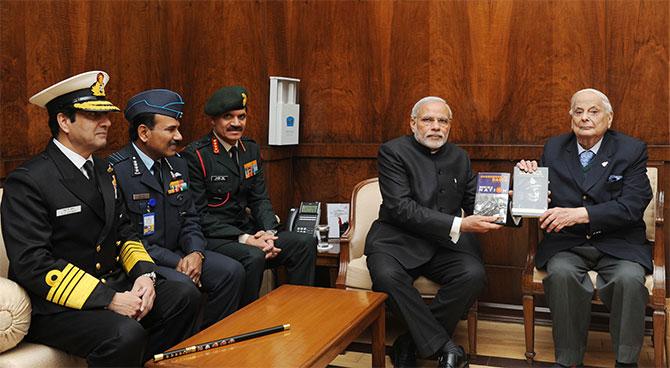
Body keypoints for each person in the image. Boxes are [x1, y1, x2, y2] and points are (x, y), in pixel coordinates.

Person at [0, 71, 200, 367]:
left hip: (111, 283)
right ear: (64, 122)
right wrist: (109, 299)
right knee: (124, 333)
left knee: (185, 295)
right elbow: (33, 263)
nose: (106, 122)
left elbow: (124, 232)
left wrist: (145, 275)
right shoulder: (29, 181)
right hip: (58, 306)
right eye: (94, 116)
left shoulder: (104, 170)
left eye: (106, 115)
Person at [516, 88, 652, 368]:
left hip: (619, 243)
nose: (585, 118)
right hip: (569, 244)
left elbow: (633, 205)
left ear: (609, 118)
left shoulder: (631, 149)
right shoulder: (554, 148)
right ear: (570, 117)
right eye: (578, 111)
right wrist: (526, 183)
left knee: (628, 279)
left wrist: (581, 214)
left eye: (593, 111)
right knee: (562, 274)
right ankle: (568, 360)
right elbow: (541, 198)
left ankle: (626, 361)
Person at [366, 96, 504, 368]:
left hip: (443, 245)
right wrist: (460, 225)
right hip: (395, 241)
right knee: (386, 276)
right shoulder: (392, 152)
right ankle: (445, 347)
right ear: (413, 123)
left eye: (442, 121)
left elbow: (476, 201)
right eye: (428, 120)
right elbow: (401, 207)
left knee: (473, 274)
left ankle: (410, 342)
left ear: (450, 126)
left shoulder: (459, 157)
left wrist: (519, 198)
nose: (435, 126)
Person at [109, 89, 245, 329]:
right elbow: (128, 236)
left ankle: (211, 342)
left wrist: (196, 253)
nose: (179, 136)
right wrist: (178, 262)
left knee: (232, 271)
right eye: (170, 129)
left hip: (182, 252)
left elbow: (191, 217)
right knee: (184, 287)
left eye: (178, 128)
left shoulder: (178, 163)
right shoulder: (117, 171)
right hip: (146, 261)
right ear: (144, 132)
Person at [182, 86, 316, 306]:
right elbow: (198, 215)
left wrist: (269, 234)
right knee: (253, 257)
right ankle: (244, 322)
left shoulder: (250, 150)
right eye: (228, 117)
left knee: (304, 243)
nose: (236, 123)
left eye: (241, 117)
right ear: (213, 121)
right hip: (216, 237)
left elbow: (259, 198)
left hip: (250, 231)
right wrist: (246, 239)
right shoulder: (197, 155)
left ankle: (299, 312)